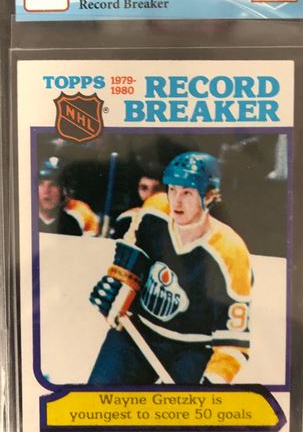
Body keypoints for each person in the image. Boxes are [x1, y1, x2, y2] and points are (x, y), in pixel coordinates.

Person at [88, 152, 252, 384]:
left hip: (192, 350)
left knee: (177, 409)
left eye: (187, 193)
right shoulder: (154, 211)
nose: (176, 201)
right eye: (172, 189)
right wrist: (116, 292)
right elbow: (129, 266)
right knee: (96, 400)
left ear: (209, 196)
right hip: (138, 332)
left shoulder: (230, 251)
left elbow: (233, 341)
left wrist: (213, 381)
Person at [38, 157, 99, 236]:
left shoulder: (72, 224)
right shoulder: (25, 220)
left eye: (53, 185)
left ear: (63, 191)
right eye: (41, 184)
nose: (46, 190)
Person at [110, 172, 166, 239]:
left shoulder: (158, 201)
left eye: (144, 187)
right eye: (140, 187)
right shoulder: (164, 200)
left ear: (160, 188)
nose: (140, 191)